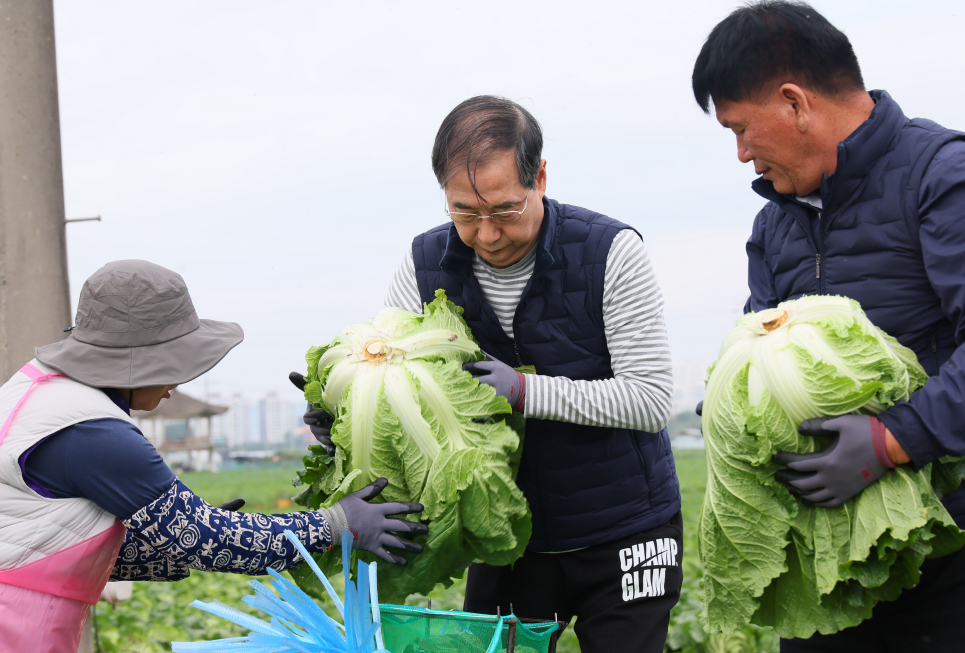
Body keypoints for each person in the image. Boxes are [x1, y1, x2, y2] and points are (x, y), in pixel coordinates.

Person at [301, 96, 682, 652]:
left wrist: (525, 390)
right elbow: (398, 377)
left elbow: (649, 399)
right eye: (464, 213)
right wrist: (340, 409)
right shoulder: (425, 261)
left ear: (540, 178)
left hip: (623, 528)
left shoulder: (610, 251)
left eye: (505, 210)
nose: (486, 234)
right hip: (503, 531)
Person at [692, 2, 965, 650]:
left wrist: (893, 441)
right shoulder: (774, 225)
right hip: (823, 570)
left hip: (947, 561)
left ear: (795, 102)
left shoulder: (940, 176)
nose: (740, 155)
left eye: (740, 128)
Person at [0, 260, 427, 653]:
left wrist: (180, 537)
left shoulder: (38, 391)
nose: (175, 384)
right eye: (172, 365)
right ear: (136, 360)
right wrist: (335, 524)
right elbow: (205, 539)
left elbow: (51, 540)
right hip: (9, 627)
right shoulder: (94, 434)